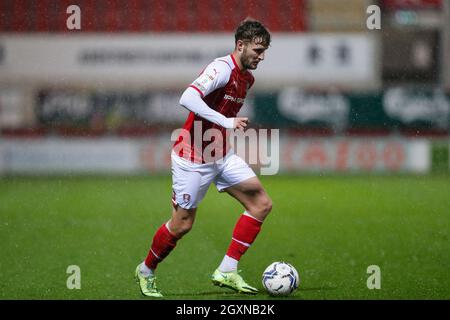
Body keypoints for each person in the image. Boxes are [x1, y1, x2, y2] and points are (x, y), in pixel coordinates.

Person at [135, 19, 272, 297]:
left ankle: (227, 270)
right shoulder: (221, 68)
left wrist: (224, 127)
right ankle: (146, 270)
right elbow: (188, 97)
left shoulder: (247, 78)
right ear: (240, 45)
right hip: (192, 157)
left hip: (220, 153)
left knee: (261, 203)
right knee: (182, 224)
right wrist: (225, 120)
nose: (261, 56)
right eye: (257, 50)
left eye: (264, 51)